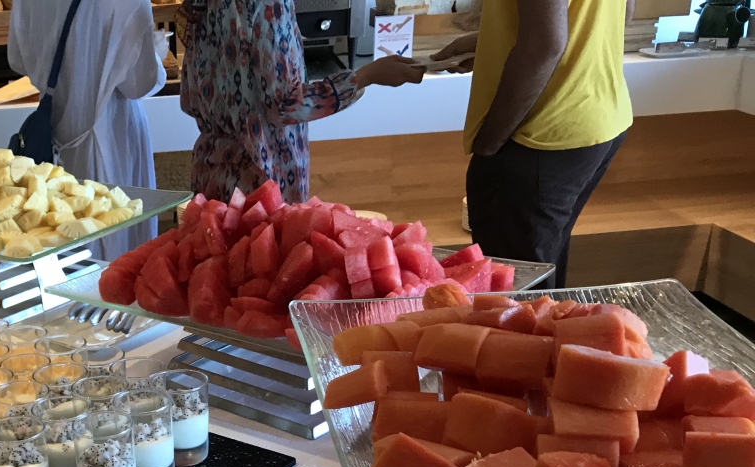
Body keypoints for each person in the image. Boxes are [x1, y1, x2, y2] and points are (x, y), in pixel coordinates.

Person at [437, 0, 632, 287]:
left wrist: (488, 144)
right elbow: (623, 15)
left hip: (540, 132)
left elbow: (545, 45)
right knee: (541, 272)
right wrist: (495, 40)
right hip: (599, 116)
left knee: (518, 295)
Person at [180, 0, 425, 204]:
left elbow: (188, 100)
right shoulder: (269, 4)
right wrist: (368, 76)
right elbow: (286, 104)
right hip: (261, 181)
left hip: (209, 175)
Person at [9, 0, 168, 259]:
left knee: (60, 237)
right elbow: (139, 83)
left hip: (54, 130)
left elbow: (18, 59)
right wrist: (156, 54)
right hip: (111, 132)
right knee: (119, 239)